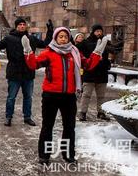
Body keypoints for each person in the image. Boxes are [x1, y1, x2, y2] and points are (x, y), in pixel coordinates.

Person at [23, 27, 108, 164]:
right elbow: (34, 65)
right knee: (47, 126)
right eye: (60, 36)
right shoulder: (48, 53)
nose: (63, 39)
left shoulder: (74, 53)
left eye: (66, 37)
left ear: (69, 39)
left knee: (69, 127)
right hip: (50, 95)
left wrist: (97, 53)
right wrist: (28, 51)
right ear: (55, 38)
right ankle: (44, 155)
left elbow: (88, 65)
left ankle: (68, 154)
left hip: (68, 96)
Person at [0, 18, 53, 126]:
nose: (22, 26)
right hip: (14, 72)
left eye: (24, 24)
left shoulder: (31, 38)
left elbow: (45, 44)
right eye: (20, 24)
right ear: (16, 26)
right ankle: (8, 117)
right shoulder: (9, 38)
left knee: (28, 97)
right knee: (11, 97)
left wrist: (50, 31)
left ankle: (27, 117)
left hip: (28, 72)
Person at [77, 24, 121, 121]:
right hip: (90, 73)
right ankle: (82, 112)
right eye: (97, 31)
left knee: (101, 96)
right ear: (93, 32)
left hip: (102, 73)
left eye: (100, 31)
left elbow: (114, 50)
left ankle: (101, 112)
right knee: (86, 95)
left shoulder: (106, 42)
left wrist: (117, 43)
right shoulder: (86, 42)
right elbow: (76, 48)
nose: (99, 33)